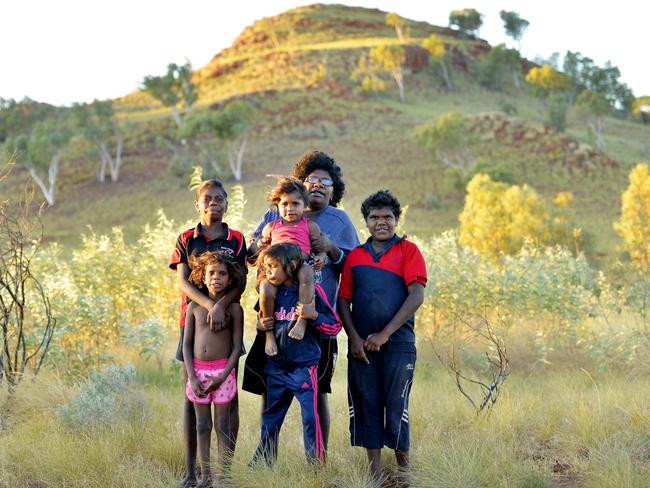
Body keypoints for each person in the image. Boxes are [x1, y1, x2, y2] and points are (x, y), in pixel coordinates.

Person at [243, 150, 359, 455]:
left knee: (317, 391)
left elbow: (353, 263)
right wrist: (262, 244)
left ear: (334, 190)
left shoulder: (339, 220)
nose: (318, 184)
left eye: (326, 181)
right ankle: (267, 458)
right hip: (275, 315)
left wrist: (330, 249)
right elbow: (252, 254)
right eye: (312, 179)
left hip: (315, 317)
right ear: (301, 184)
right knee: (270, 390)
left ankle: (317, 459)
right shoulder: (274, 215)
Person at [337, 190, 427, 483]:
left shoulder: (408, 251)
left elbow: (416, 295)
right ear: (366, 222)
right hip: (362, 346)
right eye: (374, 217)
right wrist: (353, 338)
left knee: (397, 406)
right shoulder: (356, 257)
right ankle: (373, 475)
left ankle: (404, 474)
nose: (381, 222)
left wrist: (386, 333)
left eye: (387, 217)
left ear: (396, 219)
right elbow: (343, 300)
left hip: (399, 344)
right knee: (367, 404)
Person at [169, 179, 247, 488]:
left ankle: (224, 473)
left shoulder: (236, 239)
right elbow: (184, 283)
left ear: (227, 204)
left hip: (227, 326)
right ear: (197, 204)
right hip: (193, 323)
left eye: (219, 199)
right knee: (193, 397)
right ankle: (192, 473)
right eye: (207, 199)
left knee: (230, 401)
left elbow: (240, 281)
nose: (213, 203)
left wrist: (223, 306)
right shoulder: (186, 239)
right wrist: (208, 306)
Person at [250, 243, 341, 466]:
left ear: (291, 266)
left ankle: (316, 468)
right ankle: (262, 467)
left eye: (273, 267)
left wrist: (314, 316)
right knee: (270, 419)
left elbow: (335, 326)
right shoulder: (270, 292)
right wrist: (261, 327)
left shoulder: (312, 293)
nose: (268, 272)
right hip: (276, 367)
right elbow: (261, 323)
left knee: (310, 417)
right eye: (266, 267)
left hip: (304, 367)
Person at [183, 251, 244, 487]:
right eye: (211, 273)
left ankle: (221, 477)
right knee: (202, 425)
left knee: (222, 426)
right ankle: (206, 477)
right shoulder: (193, 309)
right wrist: (192, 377)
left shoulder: (235, 310)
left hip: (223, 375)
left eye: (222, 274)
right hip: (197, 374)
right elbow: (187, 346)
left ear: (230, 279)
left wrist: (224, 375)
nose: (216, 277)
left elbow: (237, 347)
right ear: (202, 276)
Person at [248, 176, 326, 356]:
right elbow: (264, 247)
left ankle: (302, 321)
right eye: (285, 204)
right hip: (276, 268)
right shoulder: (271, 226)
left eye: (295, 204)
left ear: (304, 205)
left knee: (307, 273)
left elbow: (320, 249)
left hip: (299, 265)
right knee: (266, 288)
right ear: (277, 206)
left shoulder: (310, 226)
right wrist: (260, 248)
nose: (290, 208)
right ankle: (268, 333)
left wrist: (321, 258)